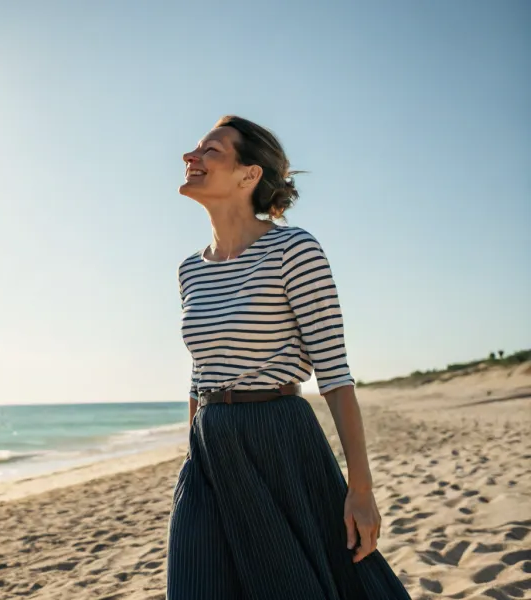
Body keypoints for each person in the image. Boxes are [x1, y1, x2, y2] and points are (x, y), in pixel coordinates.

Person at [166, 116, 411, 599]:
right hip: (209, 448)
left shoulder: (293, 249)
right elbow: (199, 374)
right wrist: (193, 447)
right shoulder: (190, 270)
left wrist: (360, 491)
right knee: (195, 584)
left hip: (279, 438)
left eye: (210, 150)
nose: (190, 158)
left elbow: (336, 377)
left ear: (248, 175)